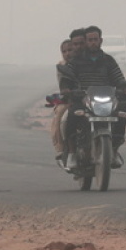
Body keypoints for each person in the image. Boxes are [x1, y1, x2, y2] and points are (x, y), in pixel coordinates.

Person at [60, 25, 126, 169]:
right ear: (86, 41)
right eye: (90, 40)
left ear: (100, 40)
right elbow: (67, 80)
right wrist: (68, 90)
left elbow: (118, 78)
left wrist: (125, 88)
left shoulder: (109, 60)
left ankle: (114, 152)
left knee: (121, 117)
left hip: (106, 101)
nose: (93, 43)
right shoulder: (76, 62)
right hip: (83, 101)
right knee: (71, 117)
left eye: (95, 39)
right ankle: (71, 154)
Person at [51, 38, 76, 167]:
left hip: (89, 98)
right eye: (64, 51)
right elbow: (63, 85)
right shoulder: (62, 66)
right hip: (69, 98)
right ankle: (60, 149)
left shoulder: (86, 63)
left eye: (70, 50)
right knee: (60, 114)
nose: (67, 53)